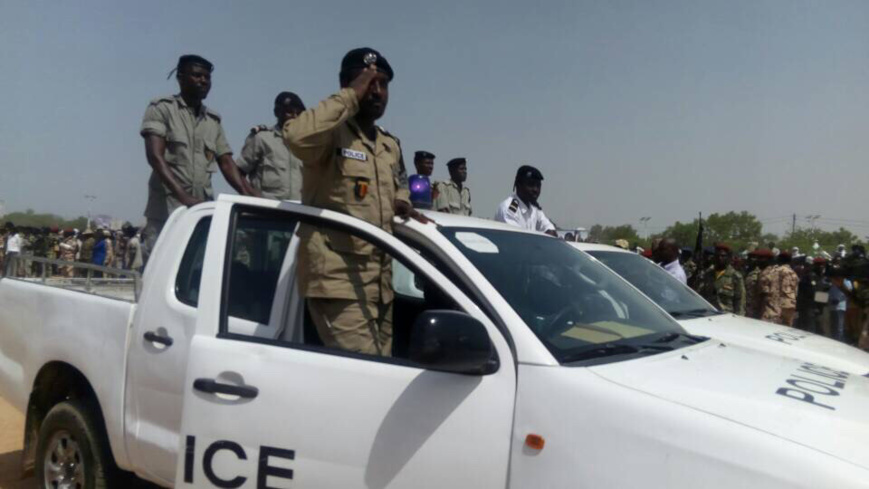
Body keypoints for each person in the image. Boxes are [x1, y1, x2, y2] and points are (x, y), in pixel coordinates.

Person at [283, 47, 419, 357]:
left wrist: (401, 200)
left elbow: (399, 182)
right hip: (338, 282)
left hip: (381, 284)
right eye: (368, 83)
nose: (377, 91)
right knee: (367, 373)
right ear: (348, 84)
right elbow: (296, 138)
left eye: (383, 84)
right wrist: (349, 96)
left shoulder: (388, 144)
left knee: (381, 371)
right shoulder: (329, 135)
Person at [140, 54, 256, 264]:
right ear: (180, 77)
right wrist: (184, 197)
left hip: (200, 214)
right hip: (165, 214)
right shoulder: (162, 108)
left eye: (207, 77)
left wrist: (251, 196)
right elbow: (155, 157)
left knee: (195, 274)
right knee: (159, 271)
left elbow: (226, 163)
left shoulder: (213, 121)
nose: (203, 81)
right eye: (197, 75)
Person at [237, 92, 306, 201]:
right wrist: (252, 196)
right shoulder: (262, 139)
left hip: (299, 209)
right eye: (289, 112)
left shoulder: (307, 145)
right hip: (267, 209)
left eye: (299, 113)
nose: (295, 117)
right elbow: (237, 173)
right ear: (277, 112)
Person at [494, 165, 556, 235]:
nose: (535, 190)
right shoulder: (509, 209)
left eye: (538, 186)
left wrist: (550, 233)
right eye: (531, 184)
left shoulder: (534, 208)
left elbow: (550, 229)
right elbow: (516, 238)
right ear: (518, 185)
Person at [699, 244, 745, 315]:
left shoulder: (735, 276)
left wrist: (738, 318)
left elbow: (740, 301)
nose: (720, 258)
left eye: (723, 256)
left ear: (728, 257)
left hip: (726, 317)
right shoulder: (708, 274)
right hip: (708, 315)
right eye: (717, 256)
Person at [777, 252, 799, 327]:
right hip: (791, 303)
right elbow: (796, 291)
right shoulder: (794, 273)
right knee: (787, 327)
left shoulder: (778, 271)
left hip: (780, 303)